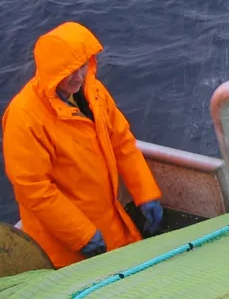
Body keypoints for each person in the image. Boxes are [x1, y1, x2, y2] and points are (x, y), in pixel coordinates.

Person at [2, 21, 164, 268]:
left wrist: (146, 194)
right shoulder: (24, 117)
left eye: (82, 66)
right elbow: (33, 189)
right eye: (68, 70)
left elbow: (121, 141)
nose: (78, 77)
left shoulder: (94, 92)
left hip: (112, 228)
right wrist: (81, 236)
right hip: (66, 252)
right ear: (51, 71)